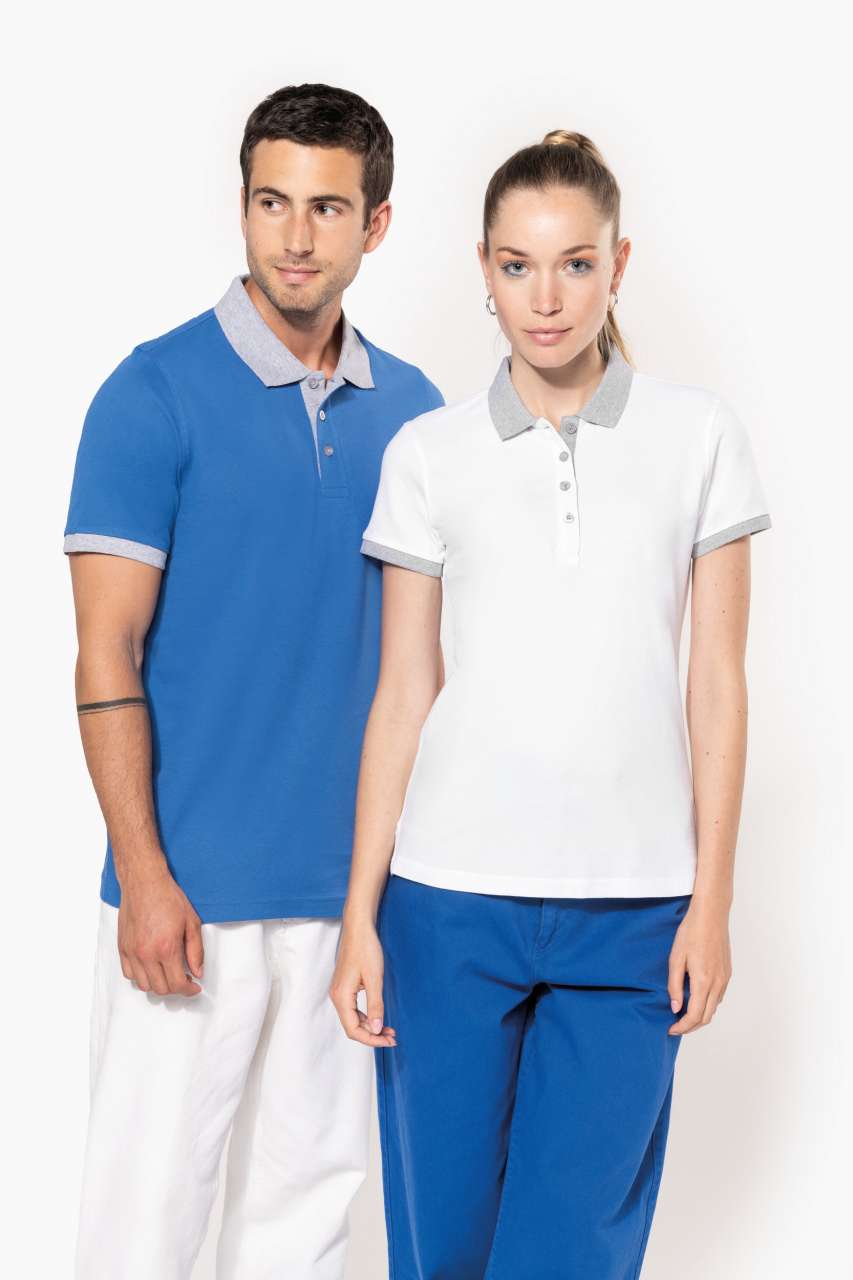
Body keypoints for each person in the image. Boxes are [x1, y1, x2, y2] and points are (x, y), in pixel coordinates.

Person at [330, 129, 772, 1278]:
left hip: (633, 913)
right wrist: (360, 913)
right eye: (518, 265)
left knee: (571, 1252)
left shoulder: (698, 436)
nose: (546, 296)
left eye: (575, 263)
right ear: (483, 268)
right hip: (444, 906)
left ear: (617, 264)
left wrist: (712, 900)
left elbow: (716, 684)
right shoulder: (429, 454)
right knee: (443, 1249)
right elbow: (402, 692)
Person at [64, 83, 443, 1279]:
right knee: (142, 1231)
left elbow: (429, 669)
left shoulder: (418, 416)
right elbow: (105, 653)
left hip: (349, 903)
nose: (295, 236)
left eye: (327, 207)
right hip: (188, 900)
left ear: (376, 224)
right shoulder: (152, 392)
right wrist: (144, 874)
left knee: (307, 1225)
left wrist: (391, 897)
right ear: (241, 207)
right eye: (272, 202)